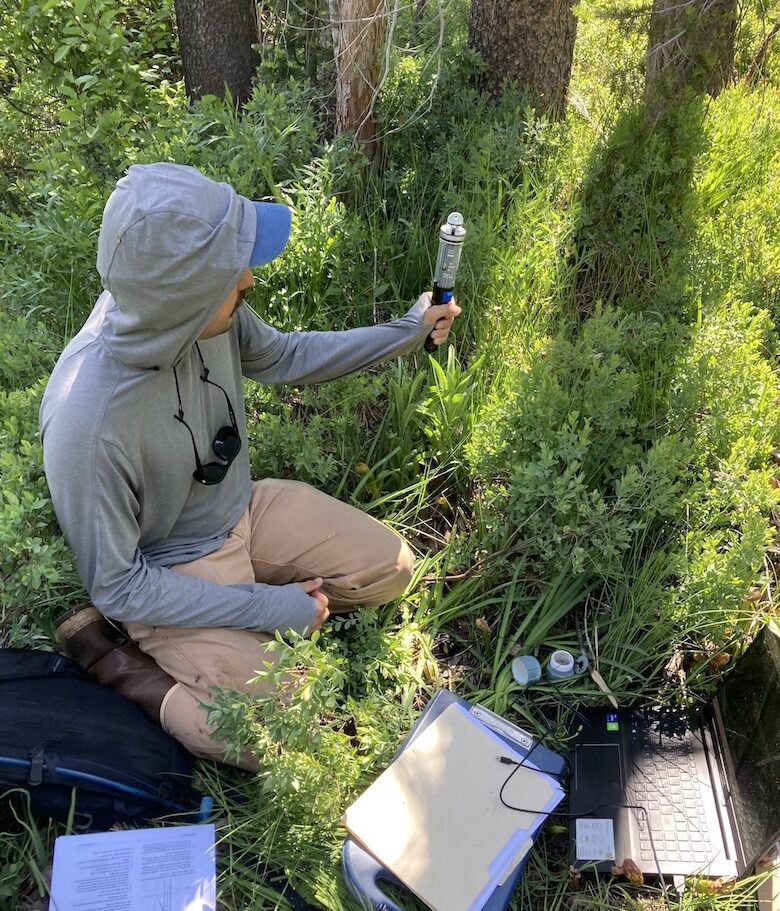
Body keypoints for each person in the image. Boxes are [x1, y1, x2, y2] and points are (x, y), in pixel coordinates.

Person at [39, 163, 460, 769]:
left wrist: (407, 333)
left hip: (243, 510)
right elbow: (119, 582)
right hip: (169, 573)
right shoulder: (86, 428)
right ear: (185, 296)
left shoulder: (208, 308)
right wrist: (271, 609)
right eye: (234, 273)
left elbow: (284, 355)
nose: (250, 277)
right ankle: (117, 661)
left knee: (392, 569)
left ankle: (243, 637)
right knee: (278, 734)